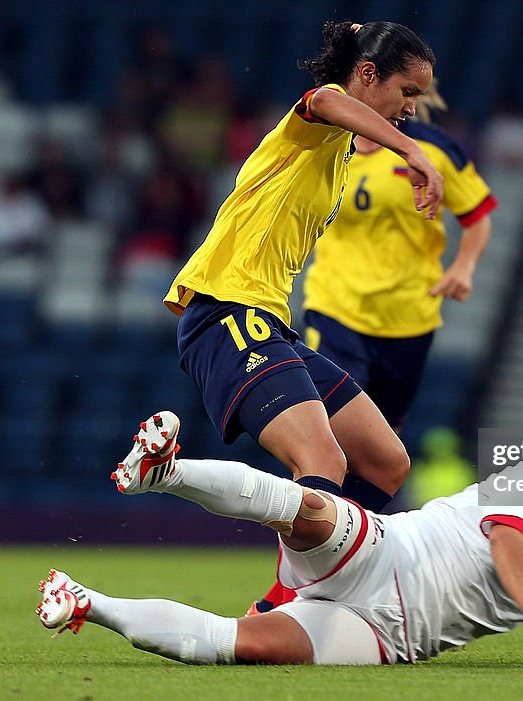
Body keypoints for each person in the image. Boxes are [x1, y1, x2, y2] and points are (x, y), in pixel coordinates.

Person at [36, 416, 523, 667]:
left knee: (240, 646)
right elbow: (504, 543)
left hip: (381, 636)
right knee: (309, 509)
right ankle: (166, 470)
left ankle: (83, 599)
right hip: (381, 550)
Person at [160, 21, 443, 521]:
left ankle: (305, 588)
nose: (411, 108)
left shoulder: (338, 154)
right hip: (227, 307)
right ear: (369, 73)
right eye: (407, 92)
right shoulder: (324, 117)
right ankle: (285, 595)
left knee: (385, 464)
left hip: (269, 320)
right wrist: (412, 149)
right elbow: (326, 99)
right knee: (322, 461)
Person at [300, 81, 496, 432]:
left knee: (384, 437)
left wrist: (464, 267)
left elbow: (477, 217)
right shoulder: (325, 143)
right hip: (335, 305)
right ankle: (318, 486)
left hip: (408, 314)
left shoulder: (433, 148)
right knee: (333, 423)